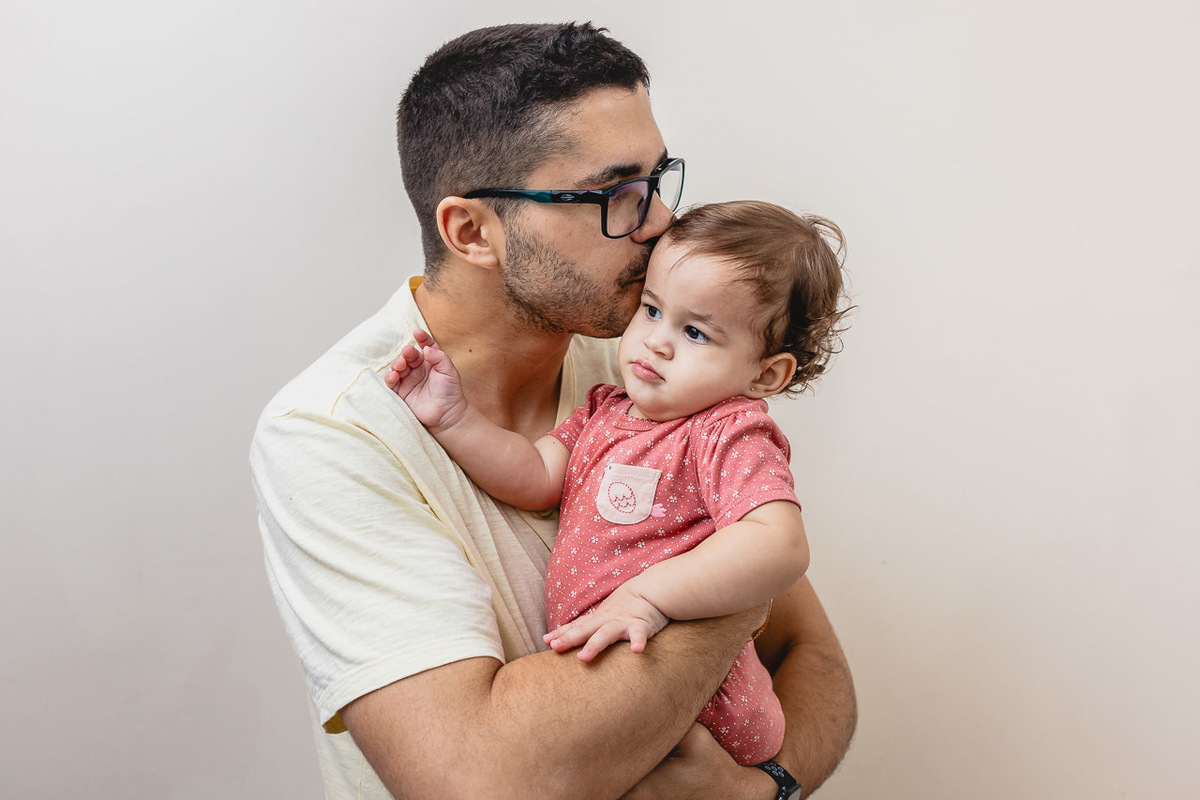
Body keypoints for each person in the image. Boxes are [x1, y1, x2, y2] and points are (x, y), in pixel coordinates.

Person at [250, 22, 856, 800]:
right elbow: (479, 782)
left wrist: (755, 792)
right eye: (613, 195)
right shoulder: (334, 431)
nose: (661, 224)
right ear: (472, 231)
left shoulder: (647, 364)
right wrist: (723, 598)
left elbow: (812, 659)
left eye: (656, 178)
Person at [383, 200, 847, 768]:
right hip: (617, 693)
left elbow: (780, 545)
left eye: (696, 331)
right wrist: (456, 421)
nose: (657, 341)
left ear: (764, 374)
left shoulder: (727, 432)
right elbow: (534, 476)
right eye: (652, 310)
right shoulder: (607, 409)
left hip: (708, 703)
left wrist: (651, 596)